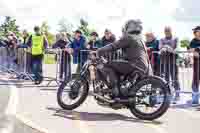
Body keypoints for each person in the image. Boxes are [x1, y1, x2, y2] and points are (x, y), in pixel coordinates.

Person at [93, 19, 152, 98]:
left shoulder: (129, 38)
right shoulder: (140, 39)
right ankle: (120, 89)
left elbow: (114, 46)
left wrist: (99, 50)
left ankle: (115, 90)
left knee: (108, 64)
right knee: (116, 64)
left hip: (134, 64)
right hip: (142, 66)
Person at [159, 26, 180, 103]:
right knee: (166, 79)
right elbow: (160, 48)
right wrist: (166, 48)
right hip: (165, 62)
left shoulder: (176, 39)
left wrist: (167, 47)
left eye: (168, 30)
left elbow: (177, 50)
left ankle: (177, 95)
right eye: (166, 31)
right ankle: (168, 95)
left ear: (171, 31)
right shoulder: (161, 39)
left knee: (175, 78)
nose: (167, 32)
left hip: (174, 62)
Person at [189, 26, 200, 104]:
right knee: (196, 79)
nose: (196, 33)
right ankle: (195, 97)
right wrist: (196, 49)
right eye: (195, 32)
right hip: (197, 62)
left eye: (197, 31)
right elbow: (190, 49)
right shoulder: (193, 41)